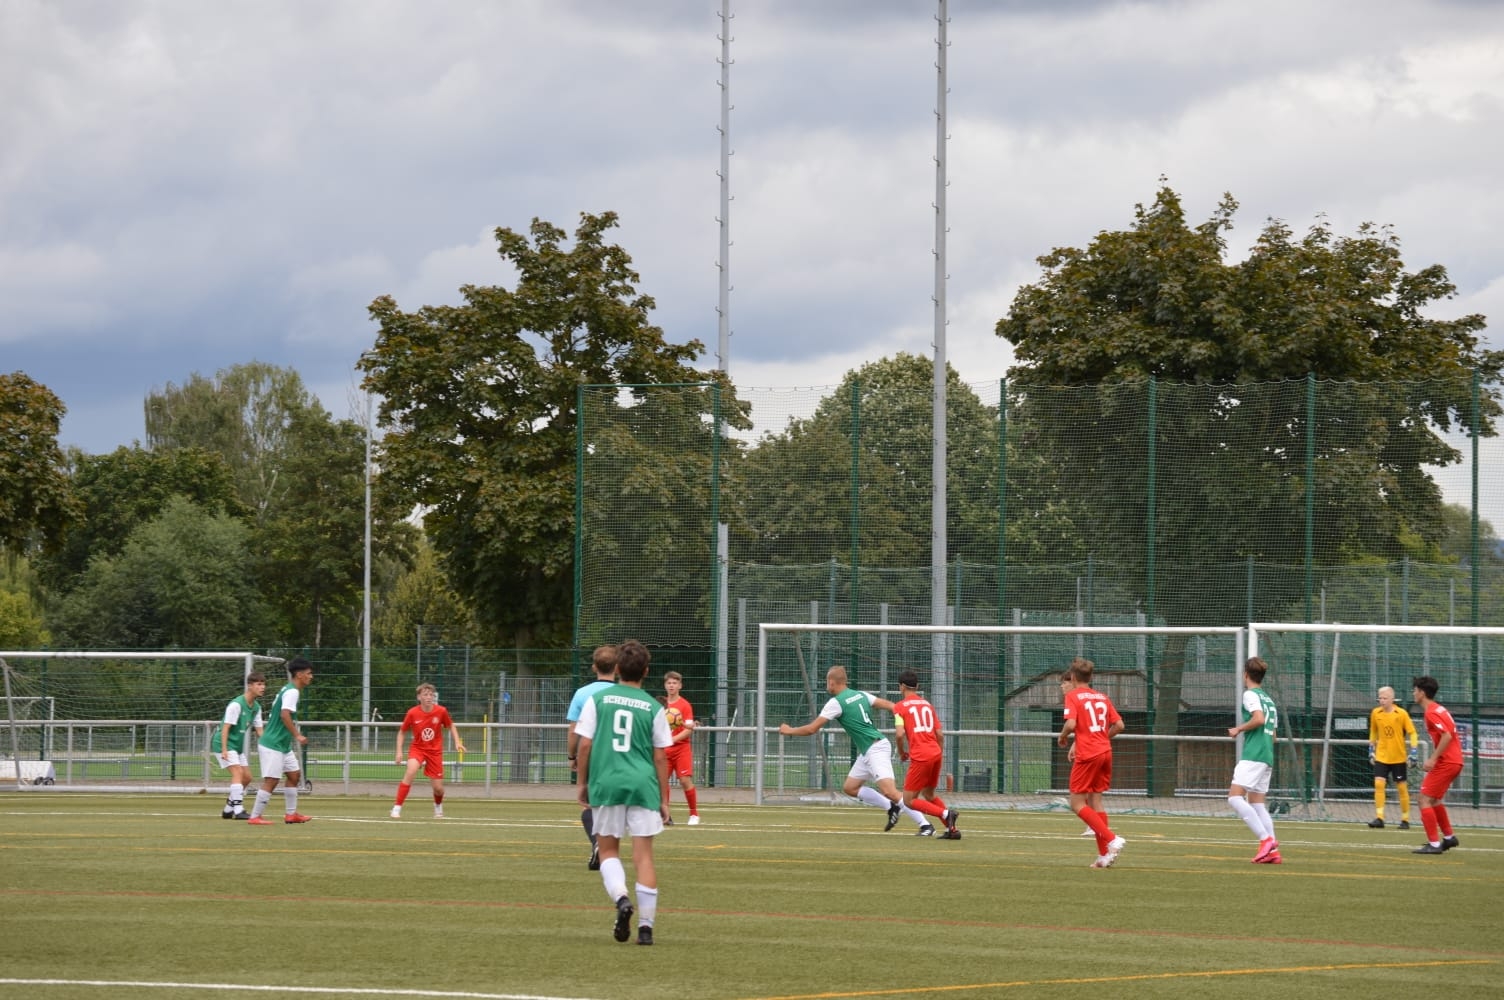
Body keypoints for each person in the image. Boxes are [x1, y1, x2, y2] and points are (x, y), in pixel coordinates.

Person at [574, 639, 671, 945]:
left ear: (617, 669)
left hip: (607, 782)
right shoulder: (654, 707)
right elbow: (660, 756)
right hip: (642, 785)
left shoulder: (598, 700)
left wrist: (582, 783)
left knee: (608, 851)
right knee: (644, 857)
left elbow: (585, 745)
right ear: (646, 671)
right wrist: (664, 799)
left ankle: (621, 899)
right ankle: (646, 929)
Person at [778, 665, 930, 833]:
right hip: (870, 748)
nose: (827, 685)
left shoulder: (836, 702)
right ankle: (891, 807)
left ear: (831, 682)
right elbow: (892, 706)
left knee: (891, 791)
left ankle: (925, 825)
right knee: (850, 788)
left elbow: (812, 729)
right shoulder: (861, 695)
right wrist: (905, 718)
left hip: (875, 749)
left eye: (827, 682)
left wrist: (789, 730)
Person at [1058, 658, 1127, 867]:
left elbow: (1071, 724)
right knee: (1095, 801)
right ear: (1090, 677)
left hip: (1088, 755)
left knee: (1077, 803)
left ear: (1073, 677)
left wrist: (1063, 736)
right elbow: (1119, 725)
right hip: (1105, 752)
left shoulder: (1073, 696)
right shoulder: (1102, 697)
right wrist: (1100, 739)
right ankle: (1104, 855)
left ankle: (1112, 839)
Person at [891, 670, 960, 839]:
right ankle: (952, 830)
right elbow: (940, 735)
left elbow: (899, 734)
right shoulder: (928, 705)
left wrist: (902, 752)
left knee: (908, 800)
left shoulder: (899, 707)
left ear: (901, 687)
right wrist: (938, 754)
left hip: (921, 756)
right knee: (928, 794)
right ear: (917, 686)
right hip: (935, 753)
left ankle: (946, 814)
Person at [567, 645, 619, 869]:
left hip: (593, 756)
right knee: (614, 806)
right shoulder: (623, 693)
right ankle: (607, 848)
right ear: (617, 668)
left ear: (594, 667)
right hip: (619, 756)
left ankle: (598, 843)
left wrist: (572, 755)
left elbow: (574, 730)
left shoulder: (582, 693)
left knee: (589, 805)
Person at [247, 658, 314, 826]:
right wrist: (297, 735)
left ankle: (291, 815)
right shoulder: (292, 692)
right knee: (272, 780)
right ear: (299, 675)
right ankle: (255, 816)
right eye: (308, 673)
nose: (311, 676)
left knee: (294, 775)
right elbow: (285, 715)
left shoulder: (289, 689)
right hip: (273, 743)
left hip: (282, 745)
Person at [1227, 656, 1280, 864]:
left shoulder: (1250, 695)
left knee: (1234, 798)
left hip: (1254, 754)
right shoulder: (1269, 700)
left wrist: (1238, 729)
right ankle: (1273, 852)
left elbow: (1258, 719)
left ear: (1246, 675)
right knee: (1257, 803)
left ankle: (1266, 840)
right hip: (1267, 754)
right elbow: (1273, 735)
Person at [390, 682, 466, 819]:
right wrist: (399, 751)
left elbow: (451, 726)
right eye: (425, 694)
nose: (429, 697)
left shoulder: (441, 711)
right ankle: (396, 808)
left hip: (434, 752)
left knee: (438, 788)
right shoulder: (412, 713)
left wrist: (457, 742)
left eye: (431, 694)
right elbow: (402, 732)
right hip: (418, 749)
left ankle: (438, 806)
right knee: (411, 771)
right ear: (419, 697)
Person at [1411, 675, 1464, 855]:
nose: (1413, 693)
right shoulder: (1439, 709)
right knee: (1434, 800)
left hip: (1447, 762)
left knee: (1423, 799)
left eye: (1415, 690)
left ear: (1422, 693)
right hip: (1454, 761)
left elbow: (1446, 735)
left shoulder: (1431, 712)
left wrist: (1432, 759)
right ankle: (1449, 838)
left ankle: (1434, 845)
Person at [1367, 685, 1419, 830]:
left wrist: (1414, 751)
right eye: (1380, 698)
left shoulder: (1401, 714)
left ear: (1392, 699)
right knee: (1379, 784)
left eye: (1385, 698)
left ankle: (1405, 819)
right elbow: (1373, 732)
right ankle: (1380, 818)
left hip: (1398, 757)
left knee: (1401, 788)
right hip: (1382, 756)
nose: (1382, 701)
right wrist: (1371, 749)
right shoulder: (1376, 713)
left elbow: (1412, 733)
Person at [218, 670, 266, 820]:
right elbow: (225, 728)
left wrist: (270, 746)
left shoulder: (256, 707)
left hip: (236, 747)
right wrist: (224, 749)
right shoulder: (236, 705)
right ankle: (238, 810)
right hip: (223, 743)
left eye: (263, 684)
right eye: (259, 684)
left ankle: (228, 809)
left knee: (247, 778)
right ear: (250, 686)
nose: (262, 687)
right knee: (238, 773)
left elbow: (260, 731)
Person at [661, 671, 702, 825]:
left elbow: (688, 729)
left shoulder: (685, 705)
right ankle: (665, 815)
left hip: (681, 748)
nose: (671, 686)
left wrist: (672, 739)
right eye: (669, 683)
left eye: (674, 683)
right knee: (662, 782)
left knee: (685, 780)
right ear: (665, 685)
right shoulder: (661, 705)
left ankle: (694, 814)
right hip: (665, 750)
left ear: (680, 686)